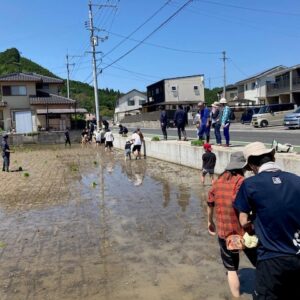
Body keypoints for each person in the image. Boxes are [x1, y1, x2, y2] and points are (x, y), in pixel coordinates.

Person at [234, 142, 300, 299]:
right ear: (273, 157)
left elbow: (243, 221)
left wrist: (253, 226)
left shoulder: (250, 185)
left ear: (251, 165)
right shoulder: (296, 180)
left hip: (271, 260)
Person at [207, 151, 257, 299]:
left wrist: (210, 221)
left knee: (231, 269)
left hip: (225, 233)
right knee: (261, 263)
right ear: (243, 167)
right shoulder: (242, 182)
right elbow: (243, 202)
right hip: (245, 232)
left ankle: (236, 297)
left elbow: (210, 203)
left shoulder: (217, 181)